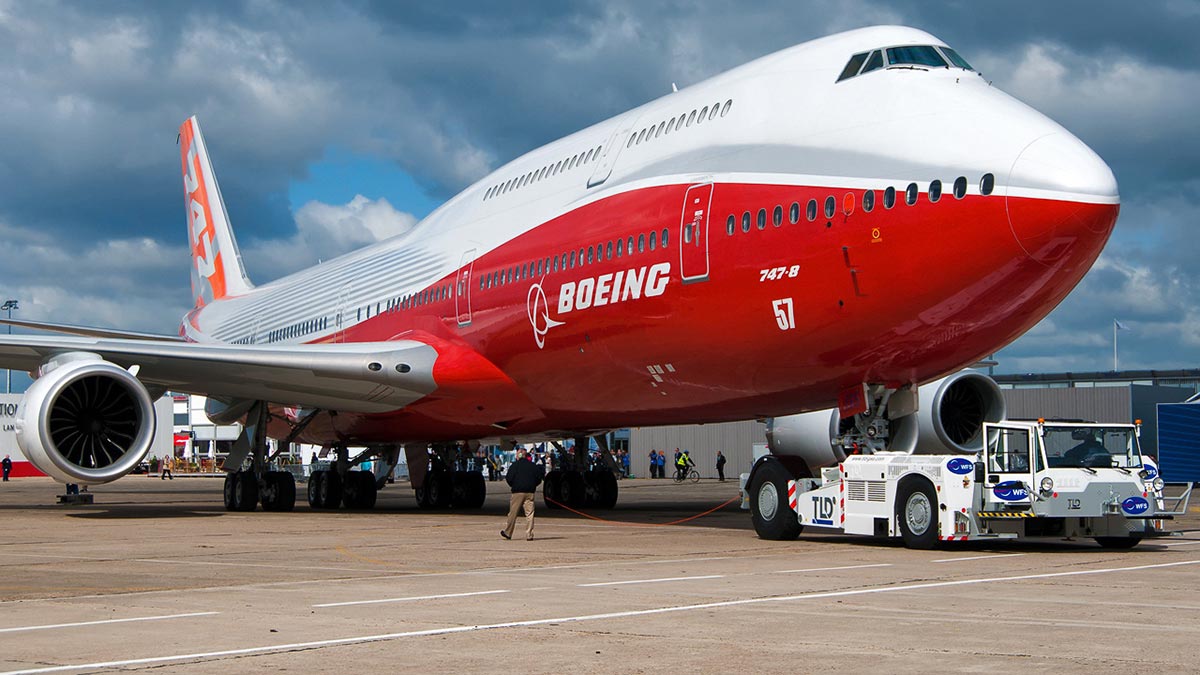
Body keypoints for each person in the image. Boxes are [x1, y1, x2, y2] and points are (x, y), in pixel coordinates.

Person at [501, 448, 543, 541]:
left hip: (518, 492)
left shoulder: (515, 465)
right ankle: (529, 534)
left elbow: (509, 478)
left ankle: (508, 532)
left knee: (513, 513)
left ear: (519, 455)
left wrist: (514, 485)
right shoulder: (533, 466)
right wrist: (532, 486)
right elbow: (539, 478)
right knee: (530, 514)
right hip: (530, 492)